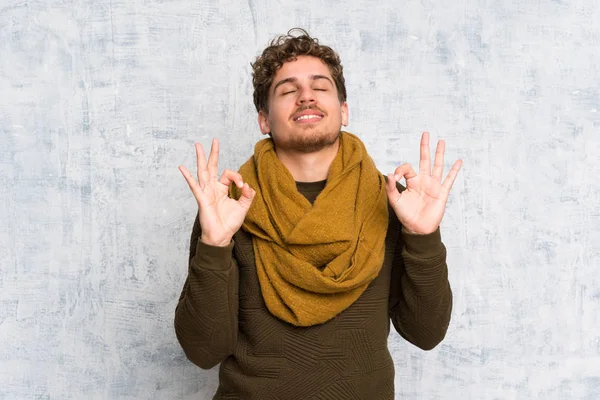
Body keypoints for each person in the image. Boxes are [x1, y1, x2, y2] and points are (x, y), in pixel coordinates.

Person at [174, 28, 462, 400]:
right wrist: (214, 245)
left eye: (320, 87)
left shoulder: (394, 203)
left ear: (344, 110)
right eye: (287, 90)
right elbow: (203, 350)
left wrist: (423, 238)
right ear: (264, 119)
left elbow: (426, 333)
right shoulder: (228, 207)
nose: (306, 96)